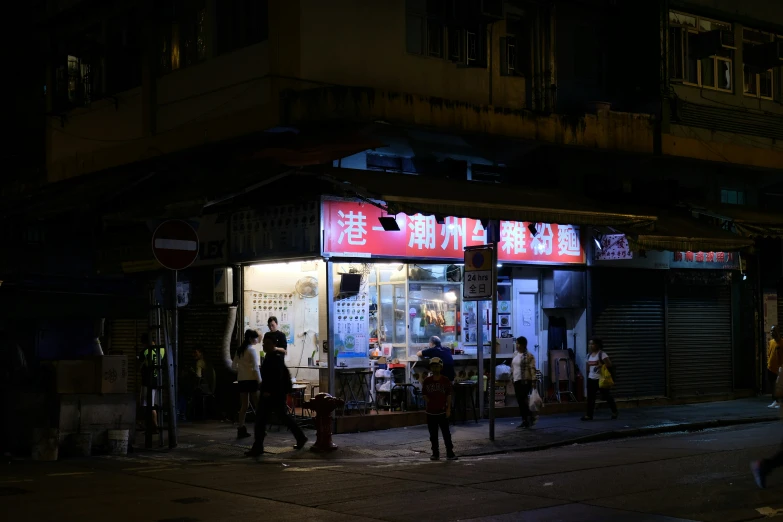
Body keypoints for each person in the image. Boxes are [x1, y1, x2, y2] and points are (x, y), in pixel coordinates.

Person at [245, 336, 307, 458]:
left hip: (273, 394)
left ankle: (258, 447)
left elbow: (276, 378)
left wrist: (268, 391)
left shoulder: (275, 358)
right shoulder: (269, 357)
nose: (264, 345)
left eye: (267, 343)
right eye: (263, 343)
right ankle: (300, 437)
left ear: (273, 345)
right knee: (275, 418)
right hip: (272, 394)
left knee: (264, 419)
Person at [422, 357, 457, 461]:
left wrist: (448, 408)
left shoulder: (445, 380)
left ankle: (450, 453)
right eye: (433, 366)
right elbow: (424, 394)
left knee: (446, 434)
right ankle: (435, 453)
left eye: (437, 366)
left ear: (441, 367)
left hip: (442, 411)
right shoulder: (427, 381)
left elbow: (448, 395)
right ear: (430, 368)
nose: (435, 368)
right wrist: (430, 402)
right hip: (431, 412)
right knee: (433, 435)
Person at [1, 331, 27, 463]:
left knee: (7, 419)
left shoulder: (11, 347)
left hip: (8, 389)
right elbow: (20, 368)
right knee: (8, 419)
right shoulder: (12, 347)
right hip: (9, 389)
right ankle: (7, 450)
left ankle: (7, 450)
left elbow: (19, 369)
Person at [233, 330, 261, 439]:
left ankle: (241, 429)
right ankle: (260, 429)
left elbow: (233, 366)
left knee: (244, 406)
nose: (257, 340)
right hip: (252, 381)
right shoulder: (251, 351)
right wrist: (260, 382)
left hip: (242, 381)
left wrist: (242, 371)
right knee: (258, 406)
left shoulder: (239, 350)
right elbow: (256, 368)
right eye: (255, 338)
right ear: (250, 339)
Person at [582, 337, 618, 421]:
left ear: (597, 345)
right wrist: (587, 376)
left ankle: (615, 411)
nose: (590, 346)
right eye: (590, 344)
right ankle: (589, 415)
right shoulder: (589, 355)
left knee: (606, 396)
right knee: (590, 398)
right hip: (591, 379)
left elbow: (609, 364)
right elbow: (588, 367)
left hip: (601, 379)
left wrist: (600, 365)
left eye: (592, 344)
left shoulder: (602, 354)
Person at [138, 333, 164, 430]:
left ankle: (154, 425)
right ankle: (153, 425)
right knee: (154, 403)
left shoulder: (145, 351)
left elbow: (140, 364)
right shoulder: (162, 349)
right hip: (159, 381)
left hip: (148, 381)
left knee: (146, 403)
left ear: (145, 343)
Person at [512, 336, 537, 429]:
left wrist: (534, 380)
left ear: (523, 345)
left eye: (518, 343)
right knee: (520, 401)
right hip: (516, 380)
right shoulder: (515, 354)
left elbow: (532, 368)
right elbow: (513, 366)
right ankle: (525, 419)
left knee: (523, 400)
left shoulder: (529, 356)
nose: (517, 345)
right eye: (516, 343)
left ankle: (530, 417)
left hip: (525, 381)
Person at [768, 326, 781, 409]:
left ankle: (779, 402)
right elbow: (769, 353)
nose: (772, 332)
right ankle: (775, 401)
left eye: (773, 330)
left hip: (779, 369)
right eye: (771, 330)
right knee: (773, 385)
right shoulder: (771, 342)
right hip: (770, 368)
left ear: (777, 331)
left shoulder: (782, 342)